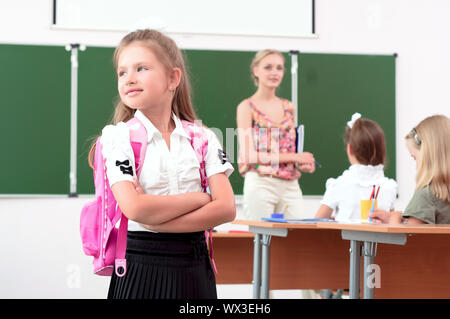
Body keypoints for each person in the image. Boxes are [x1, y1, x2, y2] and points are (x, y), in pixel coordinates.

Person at [88, 29, 235, 299]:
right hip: (139, 268)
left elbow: (226, 208)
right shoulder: (117, 137)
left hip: (194, 266)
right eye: (122, 72)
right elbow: (134, 208)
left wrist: (156, 221)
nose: (129, 78)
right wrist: (200, 198)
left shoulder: (203, 138)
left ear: (172, 78)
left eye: (141, 68)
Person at [236, 49, 316, 221]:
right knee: (261, 239)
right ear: (256, 71)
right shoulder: (246, 107)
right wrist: (295, 157)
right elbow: (249, 156)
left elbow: (289, 149)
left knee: (299, 235)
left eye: (279, 68)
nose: (274, 72)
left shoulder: (289, 107)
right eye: (268, 67)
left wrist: (301, 163)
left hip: (290, 184)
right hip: (261, 182)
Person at [314, 113, 398, 222]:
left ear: (350, 149)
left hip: (344, 239)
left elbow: (316, 224)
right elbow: (392, 225)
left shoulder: (338, 185)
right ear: (382, 150)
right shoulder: (390, 187)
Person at [370, 114, 450, 224]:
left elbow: (410, 240)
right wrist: (403, 219)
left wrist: (395, 217)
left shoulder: (426, 195)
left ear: (428, 155)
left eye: (414, 158)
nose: (416, 166)